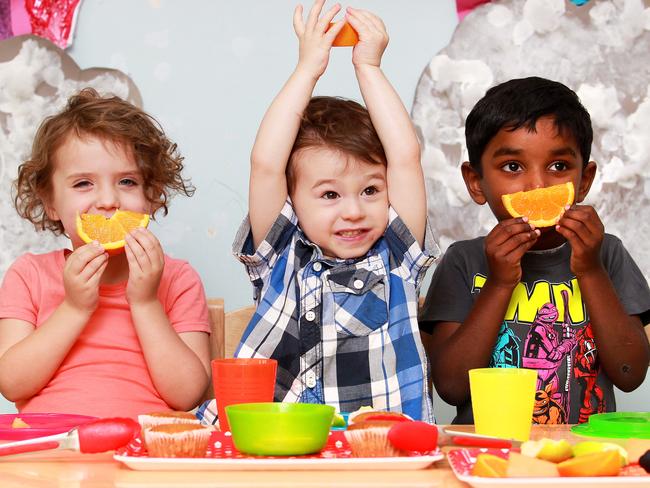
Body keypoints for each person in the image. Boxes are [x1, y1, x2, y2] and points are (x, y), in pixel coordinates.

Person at [216, 0, 439, 422]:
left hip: (382, 453)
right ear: (293, 202)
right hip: (280, 449)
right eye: (330, 195)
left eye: (371, 189)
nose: (354, 211)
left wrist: (369, 67)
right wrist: (308, 68)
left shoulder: (396, 256)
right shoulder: (280, 253)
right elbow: (265, 163)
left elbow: (406, 156)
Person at [419, 76, 650, 424]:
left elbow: (630, 373)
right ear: (475, 181)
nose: (537, 186)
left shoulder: (606, 254)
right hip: (488, 458)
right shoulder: (463, 261)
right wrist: (497, 284)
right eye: (513, 167)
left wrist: (590, 270)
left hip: (580, 460)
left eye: (558, 166)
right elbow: (451, 387)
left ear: (583, 181)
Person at [0, 88, 211, 419]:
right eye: (83, 183)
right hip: (51, 450)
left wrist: (146, 303)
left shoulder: (178, 278)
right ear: (50, 201)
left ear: (152, 194)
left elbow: (187, 395)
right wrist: (73, 308)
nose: (108, 201)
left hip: (145, 450)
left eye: (127, 181)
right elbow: (12, 384)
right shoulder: (29, 276)